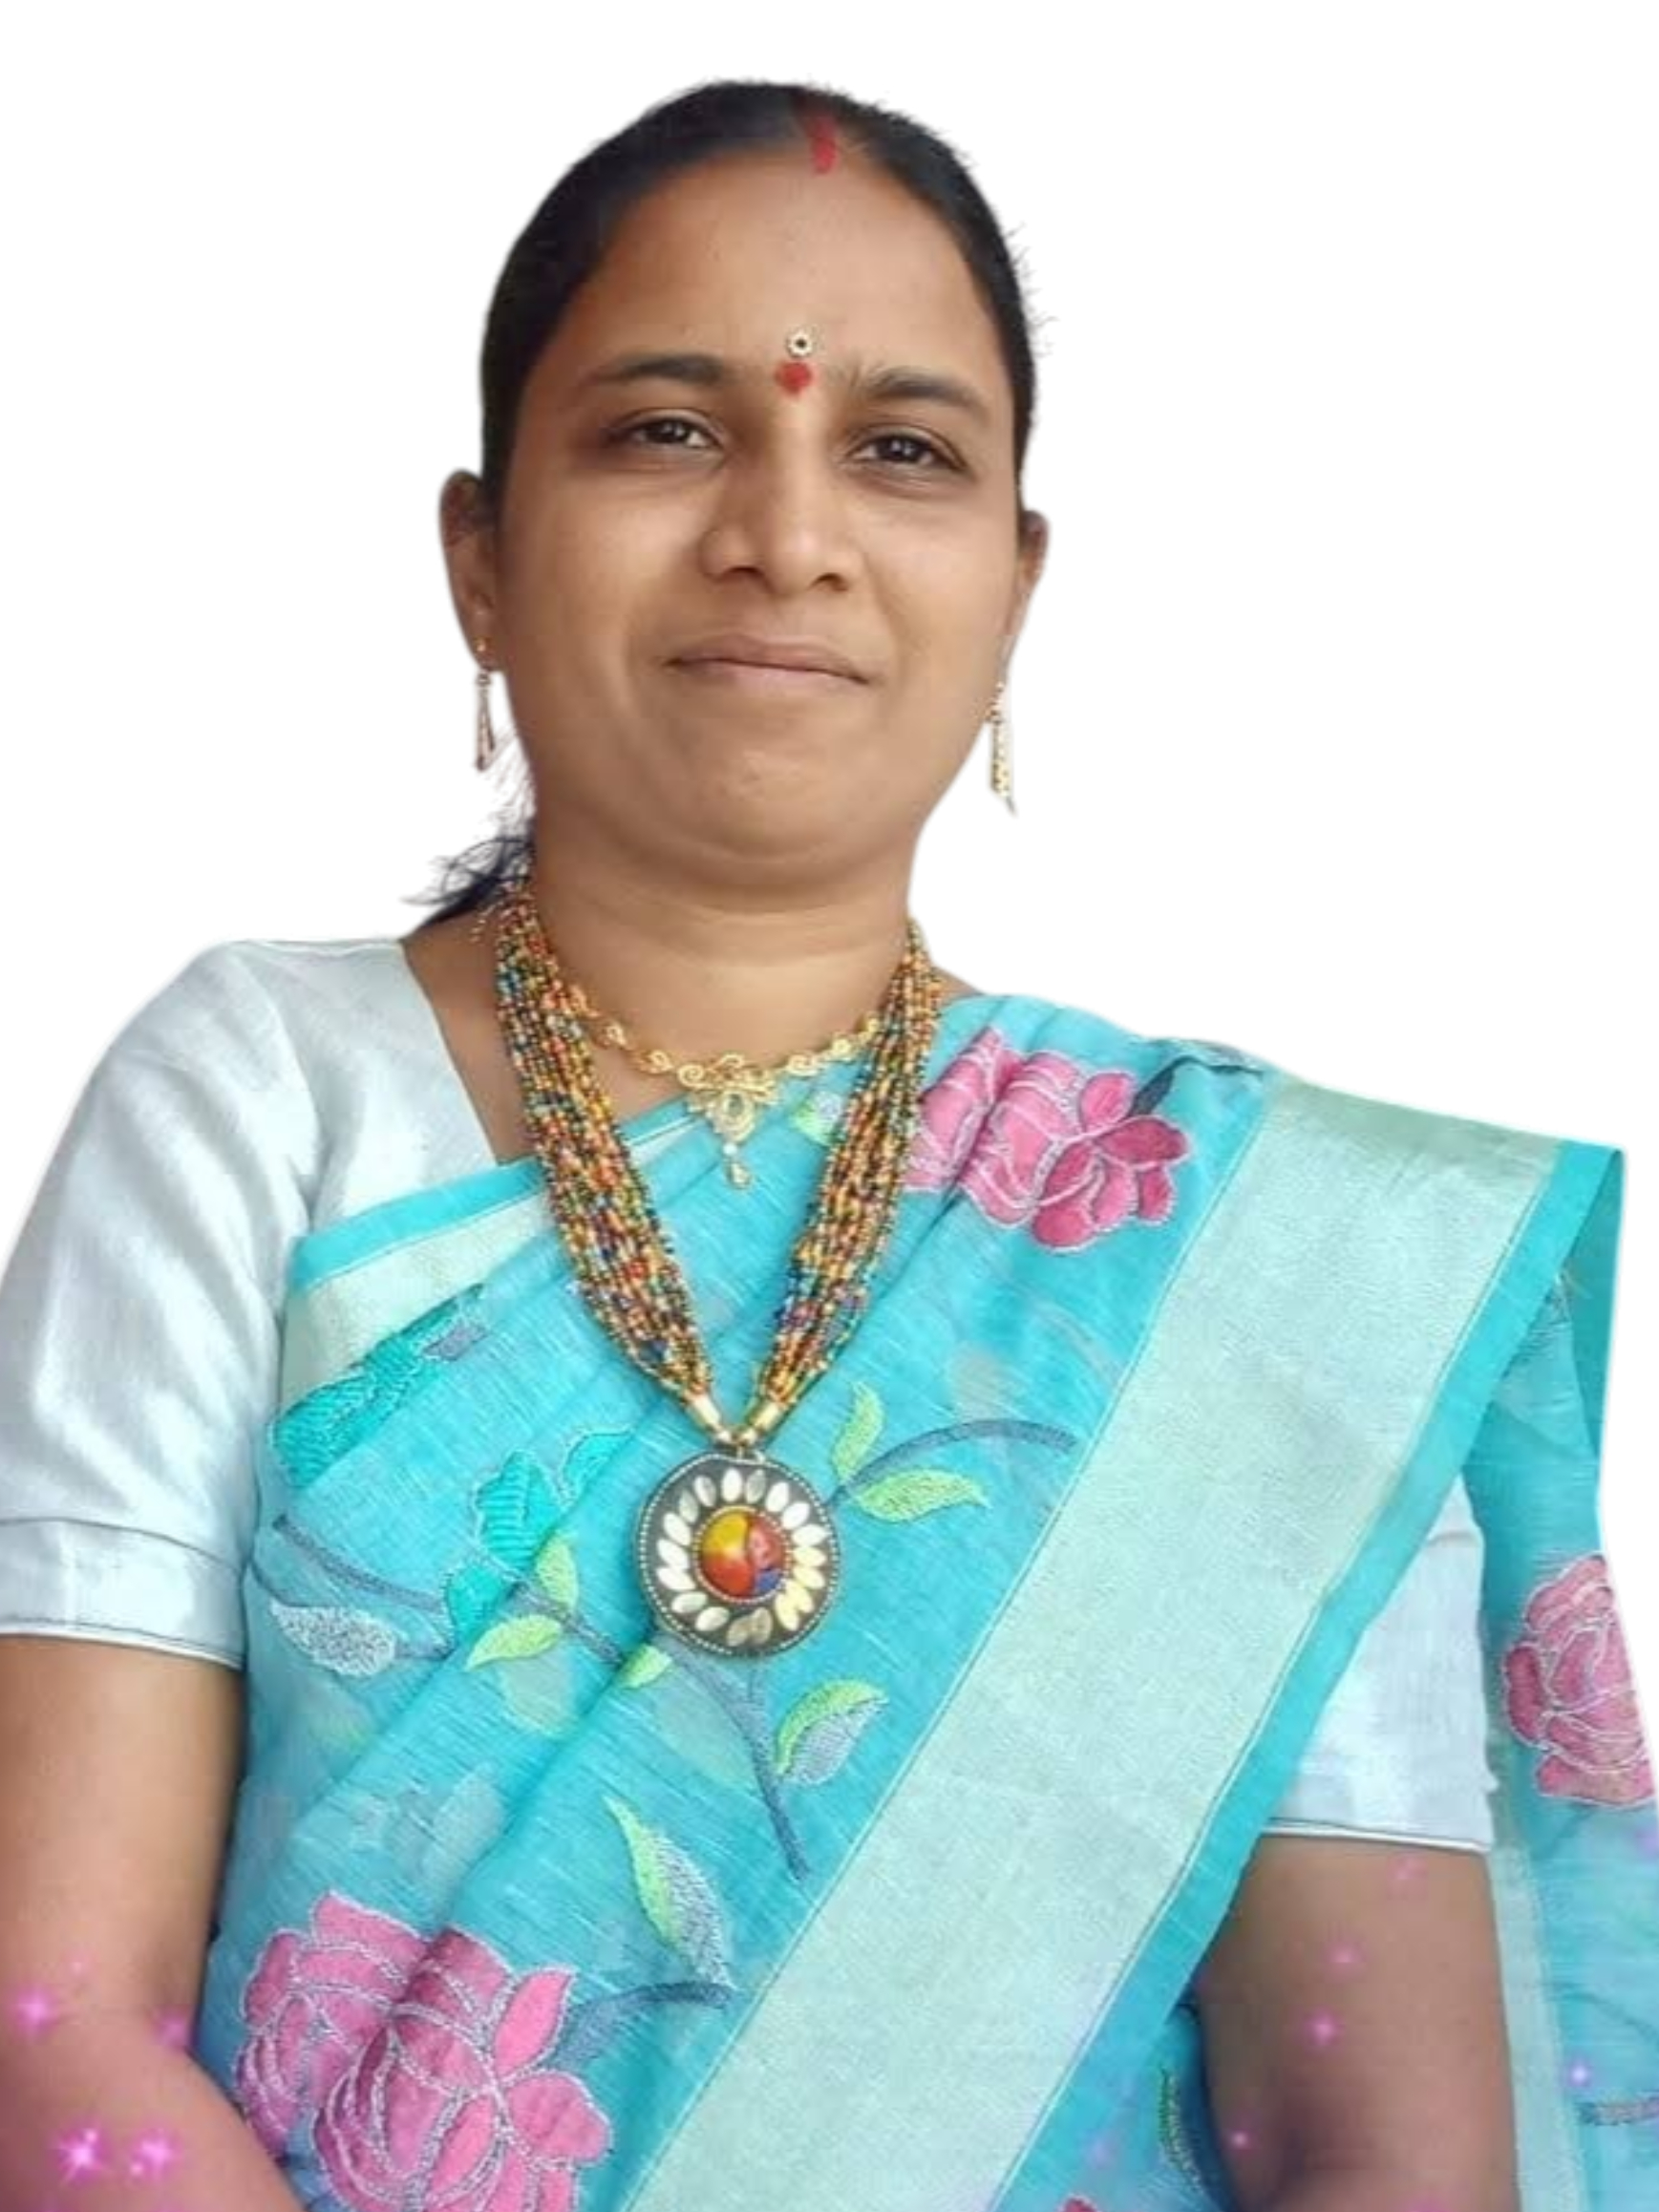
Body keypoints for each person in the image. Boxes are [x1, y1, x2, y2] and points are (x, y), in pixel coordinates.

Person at [0, 74, 1650, 2212]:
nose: (787, 534)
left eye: (902, 451)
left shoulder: (1246, 1264)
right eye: (663, 430)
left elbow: (1382, 2158)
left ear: (1015, 584)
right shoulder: (261, 1096)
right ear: (479, 559)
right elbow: (52, 2023)